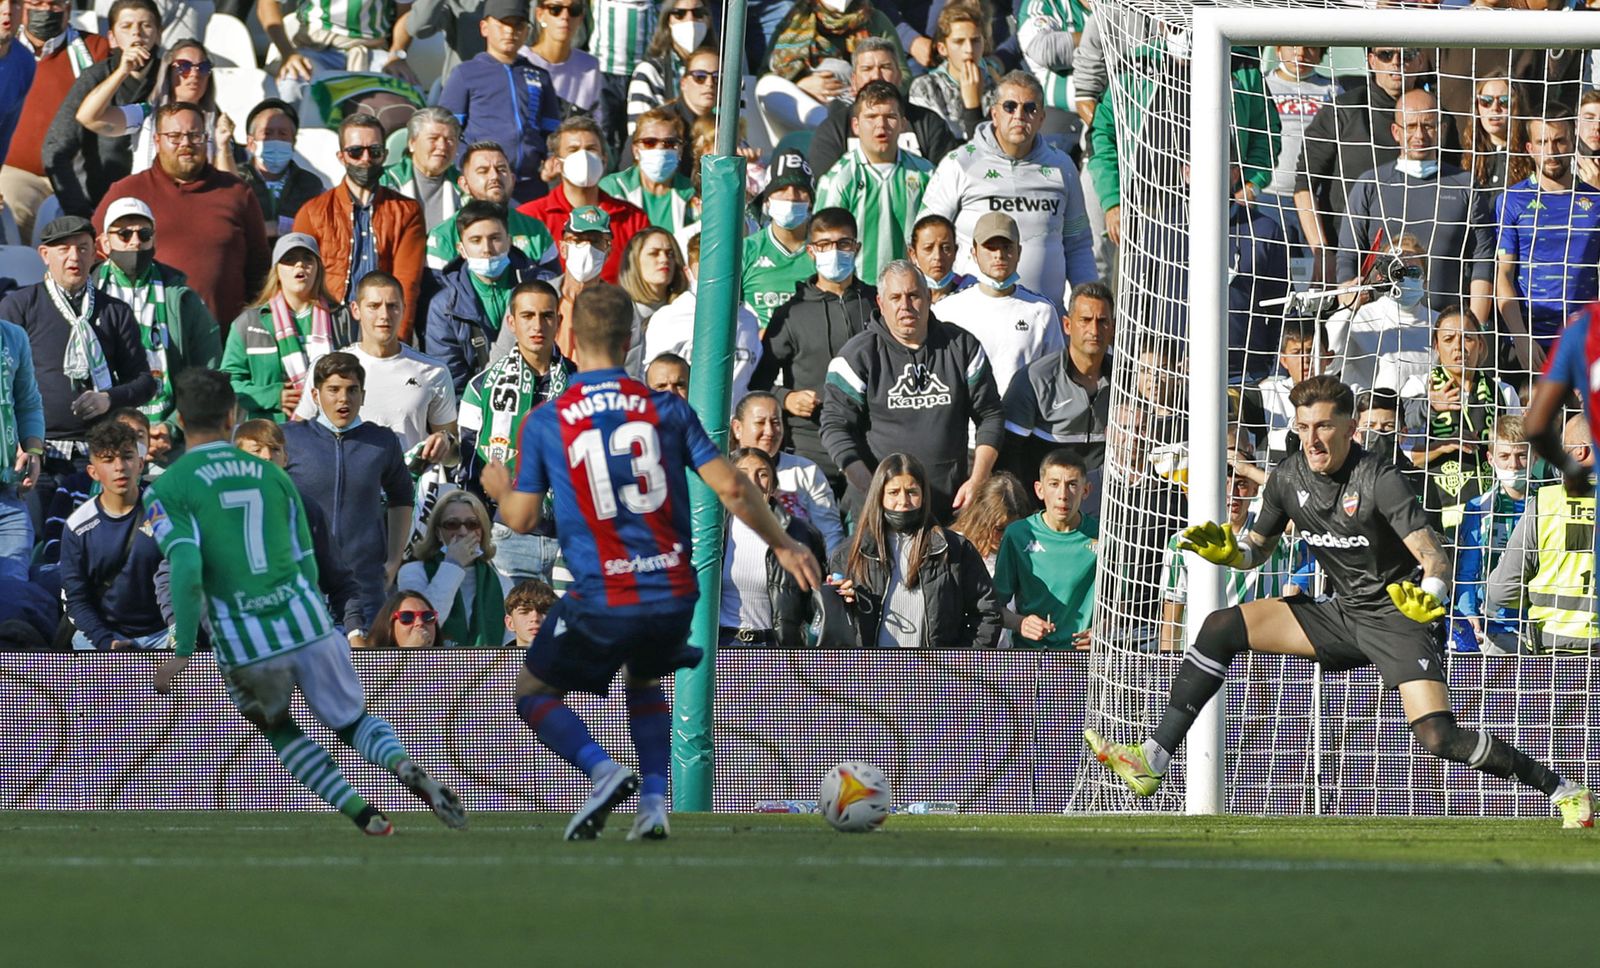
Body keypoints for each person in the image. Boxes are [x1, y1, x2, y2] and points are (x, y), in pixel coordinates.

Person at [1084, 374, 1595, 829]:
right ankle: (1152, 758)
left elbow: (1435, 558)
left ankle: (1566, 791)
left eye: (1324, 426)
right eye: (1303, 427)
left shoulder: (1380, 479)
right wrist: (1231, 555)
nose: (1312, 438)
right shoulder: (1287, 477)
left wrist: (1431, 596)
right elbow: (1255, 552)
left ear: (1351, 429)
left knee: (1438, 737)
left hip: (1398, 618)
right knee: (1221, 625)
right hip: (1340, 614)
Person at [480, 282, 822, 841]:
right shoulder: (667, 409)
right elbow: (734, 486)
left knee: (533, 693)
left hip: (603, 589)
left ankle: (601, 769)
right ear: (630, 337)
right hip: (671, 588)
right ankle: (656, 801)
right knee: (644, 684)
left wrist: (499, 486)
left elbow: (519, 520)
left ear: (571, 333)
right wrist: (783, 542)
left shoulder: (548, 419)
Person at [148, 369, 465, 836]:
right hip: (305, 614)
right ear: (232, 417)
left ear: (178, 418)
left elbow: (186, 565)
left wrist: (181, 650)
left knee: (281, 728)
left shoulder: (168, 488)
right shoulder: (278, 480)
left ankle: (361, 811)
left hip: (246, 633)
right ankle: (401, 764)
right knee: (352, 720)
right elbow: (308, 558)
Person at [822, 259, 1003, 522]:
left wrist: (978, 480)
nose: (905, 306)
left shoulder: (962, 346)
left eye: (913, 295)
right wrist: (871, 489)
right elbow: (834, 428)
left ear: (929, 297)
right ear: (880, 304)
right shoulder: (857, 356)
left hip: (951, 506)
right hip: (879, 512)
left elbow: (990, 415)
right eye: (895, 297)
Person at [919, 71, 1096, 313]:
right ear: (994, 113)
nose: (1019, 116)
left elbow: (1078, 245)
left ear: (1042, 117)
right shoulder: (958, 163)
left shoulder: (1062, 167)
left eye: (1030, 108)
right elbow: (924, 238)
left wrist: (1085, 308)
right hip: (971, 320)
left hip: (1045, 322)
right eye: (1010, 107)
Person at [94, 101, 270, 327]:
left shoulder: (237, 192)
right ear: (157, 141)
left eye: (194, 135)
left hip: (222, 343)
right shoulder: (127, 192)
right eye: (174, 136)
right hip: (143, 341)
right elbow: (95, 256)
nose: (185, 143)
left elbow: (259, 269)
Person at [0, 216, 155, 471]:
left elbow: (144, 382)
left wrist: (109, 398)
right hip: (36, 451)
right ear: (44, 254)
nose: (74, 257)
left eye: (82, 248)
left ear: (95, 253)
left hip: (98, 453)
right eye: (64, 249)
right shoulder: (19, 306)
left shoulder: (114, 311)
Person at [1335, 89, 1495, 324]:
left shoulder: (1465, 185)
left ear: (1442, 129)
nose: (1420, 134)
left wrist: (1473, 329)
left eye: (1428, 125)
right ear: (1396, 131)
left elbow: (1483, 261)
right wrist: (1350, 308)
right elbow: (1348, 258)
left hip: (1444, 330)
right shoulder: (1370, 185)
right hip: (1380, 329)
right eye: (1410, 126)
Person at [282, 353, 415, 629]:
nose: (344, 398)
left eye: (352, 390)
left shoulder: (382, 440)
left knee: (366, 671)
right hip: (301, 589)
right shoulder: (288, 439)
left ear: (363, 395)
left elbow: (402, 498)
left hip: (365, 588)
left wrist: (393, 560)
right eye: (334, 390)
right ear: (316, 395)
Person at [458, 279, 575, 586]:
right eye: (527, 316)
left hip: (573, 538)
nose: (538, 325)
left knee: (572, 634)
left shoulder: (583, 386)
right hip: (507, 538)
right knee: (515, 632)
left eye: (547, 316)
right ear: (511, 321)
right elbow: (470, 467)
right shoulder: (481, 387)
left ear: (559, 321)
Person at [752, 207, 877, 490]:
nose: (834, 252)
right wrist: (786, 398)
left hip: (871, 444)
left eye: (843, 244)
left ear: (856, 248)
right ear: (811, 251)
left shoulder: (876, 304)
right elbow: (757, 382)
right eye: (824, 245)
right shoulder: (791, 313)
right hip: (811, 448)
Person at [1294, 45, 1438, 281]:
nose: (1396, 62)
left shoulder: (1439, 119)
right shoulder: (1342, 111)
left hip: (1422, 261)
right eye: (1386, 54)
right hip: (1351, 260)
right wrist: (1323, 253)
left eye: (1407, 55)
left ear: (1421, 60)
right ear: (1371, 60)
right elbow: (1304, 185)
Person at [831, 451, 1000, 648]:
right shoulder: (849, 553)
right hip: (871, 673)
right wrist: (838, 599)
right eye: (893, 492)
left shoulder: (955, 549)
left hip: (936, 674)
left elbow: (987, 612)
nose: (903, 501)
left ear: (923, 495)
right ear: (879, 496)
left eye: (912, 492)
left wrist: (960, 664)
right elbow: (829, 623)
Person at [1157, 430, 1306, 652]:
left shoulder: (1273, 532)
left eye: (1242, 483)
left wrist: (1248, 469)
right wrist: (1166, 668)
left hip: (1261, 657)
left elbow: (1302, 504)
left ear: (1256, 488)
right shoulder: (1184, 541)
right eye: (1223, 483)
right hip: (1204, 654)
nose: (1232, 493)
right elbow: (1172, 613)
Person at [91, 197, 222, 446]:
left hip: (170, 436)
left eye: (144, 234)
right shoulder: (86, 296)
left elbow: (208, 372)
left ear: (155, 240)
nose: (135, 242)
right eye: (124, 234)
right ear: (105, 243)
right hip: (102, 437)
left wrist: (173, 426)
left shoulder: (182, 297)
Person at [298, 271, 457, 464]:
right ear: (355, 310)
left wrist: (445, 442)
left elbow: (453, 458)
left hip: (407, 490)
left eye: (392, 306)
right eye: (374, 306)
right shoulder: (325, 367)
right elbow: (297, 437)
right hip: (344, 489)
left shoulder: (434, 372)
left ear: (403, 309)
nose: (384, 315)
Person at [292, 114, 427, 341]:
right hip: (327, 321)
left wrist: (398, 339)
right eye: (356, 152)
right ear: (341, 156)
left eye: (374, 151)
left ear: (384, 155)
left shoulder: (406, 210)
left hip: (382, 319)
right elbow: (299, 279)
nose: (365, 159)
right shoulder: (313, 211)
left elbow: (407, 282)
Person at [233, 417, 367, 642]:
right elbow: (174, 575)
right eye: (256, 450)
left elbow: (340, 584)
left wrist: (355, 633)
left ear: (285, 459)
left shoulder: (307, 510)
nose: (267, 456)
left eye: (275, 450)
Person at [1495, 108, 1600, 372]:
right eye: (1543, 142)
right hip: (1531, 342)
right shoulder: (1512, 200)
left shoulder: (1596, 200)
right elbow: (1504, 275)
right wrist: (1520, 337)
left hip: (1585, 341)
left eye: (1559, 141)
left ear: (1573, 141)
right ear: (1530, 148)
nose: (1551, 152)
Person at [1397, 307, 1519, 531]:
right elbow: (1406, 457)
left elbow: (1518, 453)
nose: (1458, 347)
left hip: (1493, 510)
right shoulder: (1419, 387)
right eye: (1448, 339)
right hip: (1436, 511)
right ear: (1436, 346)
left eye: (1468, 338)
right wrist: (1442, 444)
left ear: (1481, 345)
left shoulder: (1504, 392)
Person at [1, 0, 109, 244]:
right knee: (9, 216)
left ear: (68, 9)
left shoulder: (95, 50)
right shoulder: (6, 51)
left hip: (76, 173)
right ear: (21, 7)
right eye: (37, 3)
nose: (45, 11)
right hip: (18, 175)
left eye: (54, 4)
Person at [46, 0, 168, 217]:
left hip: (161, 205)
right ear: (111, 38)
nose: (137, 34)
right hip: (99, 205)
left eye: (146, 26)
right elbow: (55, 148)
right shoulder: (94, 77)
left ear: (159, 34)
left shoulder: (172, 77)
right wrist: (80, 211)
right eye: (126, 26)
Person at [1488, 413, 1596, 654]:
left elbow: (1501, 591)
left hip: (1553, 647)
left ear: (1580, 451)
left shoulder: (1545, 503)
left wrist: (1536, 596)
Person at [437, 0, 562, 204]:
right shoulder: (465, 73)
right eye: (503, 23)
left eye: (518, 25)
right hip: (482, 187)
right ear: (484, 27)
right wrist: (467, 166)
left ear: (527, 31)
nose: (510, 31)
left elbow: (552, 133)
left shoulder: (540, 76)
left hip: (531, 186)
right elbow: (447, 131)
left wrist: (551, 159)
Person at [814, 81, 936, 286]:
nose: (881, 125)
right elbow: (825, 248)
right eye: (871, 117)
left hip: (910, 292)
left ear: (903, 124)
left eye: (890, 117)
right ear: (856, 125)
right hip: (858, 294)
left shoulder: (927, 173)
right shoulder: (839, 179)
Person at [221, 233, 350, 424]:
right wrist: (272, 396)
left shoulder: (342, 318)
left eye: (308, 259)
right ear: (277, 271)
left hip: (331, 433)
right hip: (269, 437)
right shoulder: (248, 323)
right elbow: (228, 384)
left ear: (318, 269)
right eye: (290, 260)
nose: (300, 265)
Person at [60, 419, 167, 649]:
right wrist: (107, 642)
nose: (119, 467)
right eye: (108, 460)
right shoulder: (77, 527)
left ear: (140, 464)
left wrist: (181, 635)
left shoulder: (166, 513)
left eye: (127, 457)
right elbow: (77, 600)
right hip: (103, 636)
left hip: (165, 634)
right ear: (93, 471)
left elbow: (188, 577)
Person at [933, 211, 1062, 400]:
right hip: (965, 427)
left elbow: (1055, 379)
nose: (999, 255)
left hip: (1023, 426)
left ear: (1019, 252)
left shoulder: (1042, 311)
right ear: (974, 253)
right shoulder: (946, 310)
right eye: (990, 247)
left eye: (1006, 247)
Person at [1001, 281, 1113, 494]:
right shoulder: (1034, 378)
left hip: (1107, 509)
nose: (1094, 330)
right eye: (1085, 320)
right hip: (1043, 510)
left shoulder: (1128, 379)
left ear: (1114, 327)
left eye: (1102, 321)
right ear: (1067, 325)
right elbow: (1009, 455)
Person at [426, 199, 544, 394]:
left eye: (495, 238)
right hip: (475, 408)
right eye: (475, 240)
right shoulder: (444, 307)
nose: (487, 248)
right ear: (461, 249)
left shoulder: (540, 289)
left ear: (509, 240)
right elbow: (450, 381)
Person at [517, 116, 651, 285]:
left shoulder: (633, 218)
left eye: (591, 149)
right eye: (573, 150)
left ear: (604, 160)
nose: (584, 156)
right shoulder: (529, 218)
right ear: (557, 163)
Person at [718, 447, 827, 648]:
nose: (753, 482)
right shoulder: (712, 531)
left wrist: (835, 596)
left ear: (774, 484)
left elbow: (814, 607)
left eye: (762, 474)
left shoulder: (801, 535)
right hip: (722, 644)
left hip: (775, 648)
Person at [808, 36, 959, 178]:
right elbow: (827, 192)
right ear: (854, 80)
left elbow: (949, 183)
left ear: (899, 76)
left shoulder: (928, 123)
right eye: (867, 69)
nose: (876, 76)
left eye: (885, 67)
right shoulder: (834, 130)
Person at [994, 448, 1096, 650]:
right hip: (1030, 658)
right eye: (1054, 484)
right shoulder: (1018, 535)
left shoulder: (1104, 535)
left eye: (1072, 485)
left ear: (1086, 491)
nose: (1063, 495)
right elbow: (993, 606)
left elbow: (1121, 603)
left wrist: (1103, 631)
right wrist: (1020, 623)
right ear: (1039, 489)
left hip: (1085, 659)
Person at [642, 231, 761, 403]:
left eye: (722, 268)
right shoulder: (667, 319)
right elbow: (653, 380)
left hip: (736, 424)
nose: (714, 278)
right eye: (704, 271)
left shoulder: (749, 320)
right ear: (688, 272)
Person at [757, 0, 906, 136]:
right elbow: (765, 75)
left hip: (860, 105)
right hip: (805, 112)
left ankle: (845, 129)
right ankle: (838, 129)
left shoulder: (874, 19)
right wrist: (801, 85)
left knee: (840, 68)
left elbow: (903, 76)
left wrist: (866, 88)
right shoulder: (795, 19)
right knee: (767, 86)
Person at [731, 390, 846, 557]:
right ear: (737, 428)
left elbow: (830, 533)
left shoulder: (805, 470)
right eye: (760, 422)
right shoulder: (721, 470)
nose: (769, 431)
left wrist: (833, 572)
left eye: (776, 422)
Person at [1453, 415, 1532, 655]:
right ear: (1490, 459)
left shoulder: (1547, 503)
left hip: (1536, 623)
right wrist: (1468, 611)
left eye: (1521, 455)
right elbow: (1467, 567)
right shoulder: (1479, 507)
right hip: (1493, 626)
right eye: (1505, 456)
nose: (1513, 465)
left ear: (1534, 456)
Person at [398, 491, 513, 647]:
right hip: (431, 666)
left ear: (482, 531)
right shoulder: (413, 572)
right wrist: (453, 564)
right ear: (439, 533)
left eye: (472, 524)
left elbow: (511, 644)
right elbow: (425, 625)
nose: (463, 532)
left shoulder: (502, 583)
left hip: (486, 668)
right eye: (452, 524)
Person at [1324, 236, 1436, 395]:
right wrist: (1347, 309)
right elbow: (1328, 365)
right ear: (1381, 277)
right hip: (1368, 416)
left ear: (1425, 280)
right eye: (1397, 271)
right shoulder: (1359, 318)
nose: (1404, 278)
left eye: (1413, 272)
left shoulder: (1441, 324)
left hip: (1421, 415)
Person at [425, 141, 559, 272]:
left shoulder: (535, 229)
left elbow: (551, 283)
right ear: (464, 184)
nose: (494, 176)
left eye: (501, 169)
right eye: (483, 171)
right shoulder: (443, 236)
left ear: (512, 180)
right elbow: (438, 290)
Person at [258, 0, 420, 107]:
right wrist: (288, 53)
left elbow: (406, 12)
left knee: (410, 91)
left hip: (371, 50)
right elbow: (267, 4)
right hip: (313, 48)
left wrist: (397, 54)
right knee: (290, 85)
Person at [1258, 44, 1333, 247]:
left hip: (1315, 201)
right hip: (1268, 198)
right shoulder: (1261, 85)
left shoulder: (1332, 90)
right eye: (1293, 46)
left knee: (1313, 270)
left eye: (1310, 48)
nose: (1300, 53)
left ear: (1320, 55)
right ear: (1278, 50)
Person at [742, 150, 819, 331]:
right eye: (781, 188)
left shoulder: (824, 251)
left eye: (800, 189)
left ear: (810, 201)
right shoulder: (747, 250)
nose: (791, 196)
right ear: (767, 199)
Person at [236, 98, 328, 242]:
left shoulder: (311, 185)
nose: (275, 139)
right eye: (267, 133)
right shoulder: (235, 180)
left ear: (293, 142)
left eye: (283, 133)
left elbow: (322, 227)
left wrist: (279, 227)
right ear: (250, 143)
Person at [598, 106, 697, 236]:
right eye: (649, 142)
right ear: (635, 150)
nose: (660, 149)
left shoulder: (693, 193)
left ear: (680, 150)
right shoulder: (612, 189)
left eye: (669, 143)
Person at [908, 3, 1000, 141]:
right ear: (942, 48)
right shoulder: (925, 88)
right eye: (959, 42)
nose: (969, 49)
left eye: (975, 41)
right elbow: (932, 146)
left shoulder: (997, 88)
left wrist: (974, 105)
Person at [523, 0, 614, 136]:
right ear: (540, 14)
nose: (565, 16)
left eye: (574, 10)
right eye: (555, 9)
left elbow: (597, 127)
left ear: (581, 18)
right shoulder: (521, 61)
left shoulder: (590, 66)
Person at [0, 306, 42, 582]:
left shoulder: (14, 337)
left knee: (12, 593)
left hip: (9, 496)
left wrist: (34, 450)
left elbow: (28, 404)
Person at [625, 0, 712, 131]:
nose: (690, 20)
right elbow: (639, 135)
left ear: (708, 20)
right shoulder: (650, 71)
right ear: (667, 21)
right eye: (679, 14)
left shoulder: (726, 71)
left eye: (698, 13)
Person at [379, 107, 462, 231]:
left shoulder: (464, 185)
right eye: (433, 138)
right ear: (412, 143)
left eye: (450, 140)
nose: (442, 146)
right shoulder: (384, 180)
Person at [1463, 71, 1522, 192]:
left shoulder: (1531, 155)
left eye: (1504, 101)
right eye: (1486, 101)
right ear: (1477, 107)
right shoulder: (1467, 155)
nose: (1495, 108)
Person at [618, 226, 689, 324]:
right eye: (654, 253)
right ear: (634, 261)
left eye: (670, 254)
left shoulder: (687, 309)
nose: (664, 259)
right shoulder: (618, 311)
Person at [908, 212, 971, 303]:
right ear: (913, 254)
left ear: (955, 251)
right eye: (928, 248)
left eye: (946, 248)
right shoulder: (905, 298)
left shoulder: (971, 293)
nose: (938, 256)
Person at [365, 590, 441, 648]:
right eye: (407, 617)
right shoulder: (367, 663)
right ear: (390, 625)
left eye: (427, 616)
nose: (419, 623)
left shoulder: (449, 664)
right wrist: (410, 650)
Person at [504, 577, 556, 647]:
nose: (535, 618)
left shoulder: (573, 656)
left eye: (544, 611)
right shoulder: (496, 657)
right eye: (524, 612)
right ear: (510, 623)